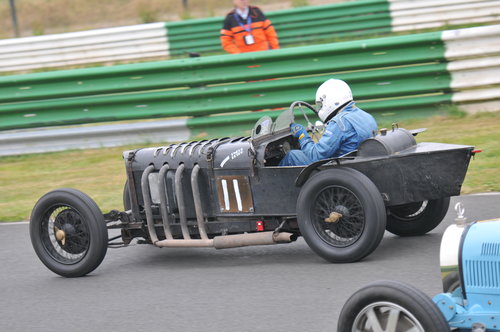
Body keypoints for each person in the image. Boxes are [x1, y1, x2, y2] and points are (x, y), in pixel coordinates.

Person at [279, 79, 378, 166]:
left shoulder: (339, 123)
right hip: (358, 165)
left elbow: (316, 156)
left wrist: (302, 135)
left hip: (338, 169)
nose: (320, 108)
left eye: (321, 104)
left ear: (330, 100)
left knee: (292, 156)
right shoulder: (367, 116)